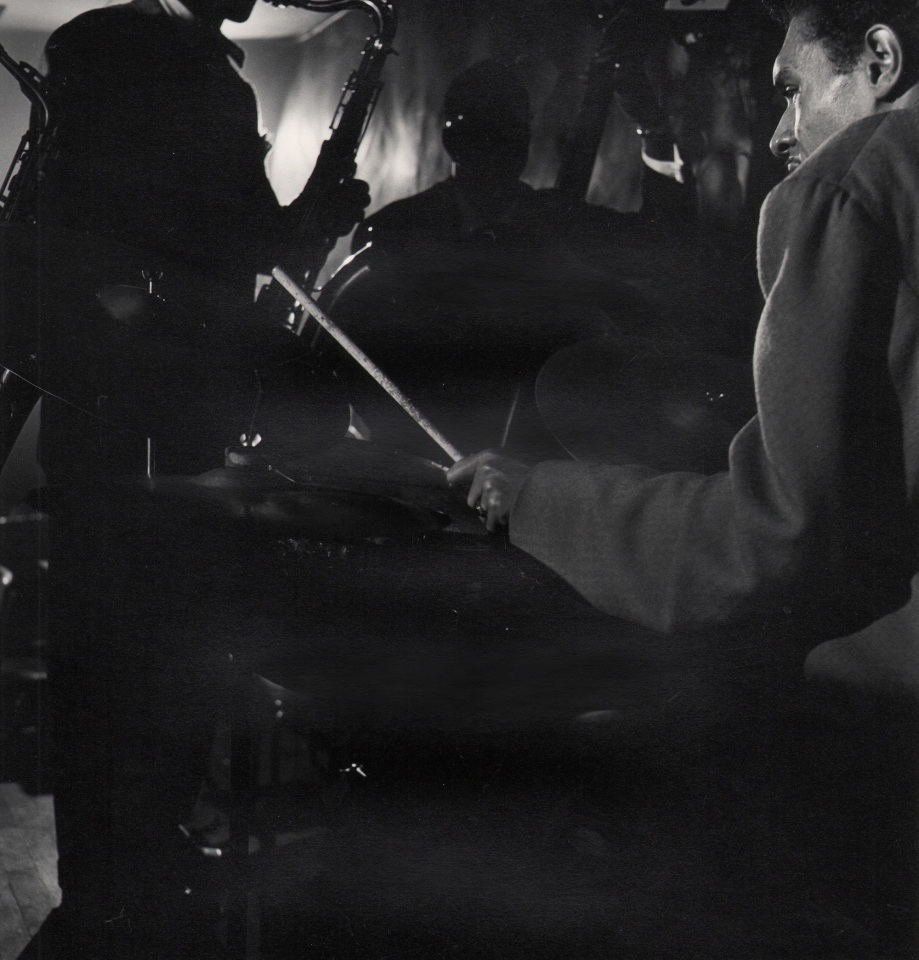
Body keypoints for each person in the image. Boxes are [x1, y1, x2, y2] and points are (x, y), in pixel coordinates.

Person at [449, 2, 919, 952]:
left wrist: (533, 498)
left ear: (878, 58)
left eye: (791, 90)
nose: (781, 131)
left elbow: (775, 536)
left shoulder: (852, 185)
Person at [22, 2, 369, 958]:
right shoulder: (150, 57)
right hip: (141, 444)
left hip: (139, 440)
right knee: (131, 693)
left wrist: (299, 222)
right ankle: (115, 909)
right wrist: (309, 217)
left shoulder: (156, 54)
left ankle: (120, 896)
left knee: (131, 694)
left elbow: (212, 234)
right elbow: (214, 236)